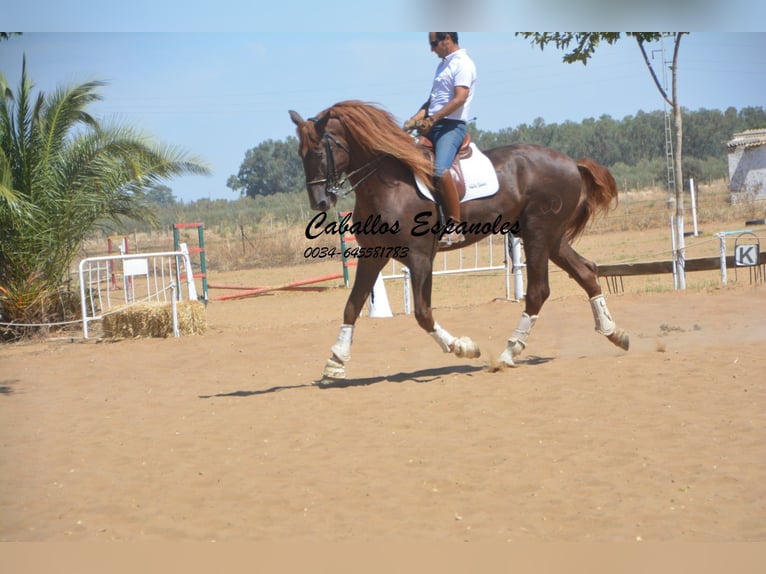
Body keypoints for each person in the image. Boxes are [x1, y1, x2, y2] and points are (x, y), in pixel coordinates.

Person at [404, 32, 477, 246]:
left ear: (447, 39)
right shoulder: (443, 65)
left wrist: (434, 118)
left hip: (451, 127)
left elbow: (460, 97)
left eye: (434, 43)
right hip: (433, 126)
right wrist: (415, 118)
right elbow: (432, 101)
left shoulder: (463, 63)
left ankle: (455, 226)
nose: (432, 49)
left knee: (439, 170)